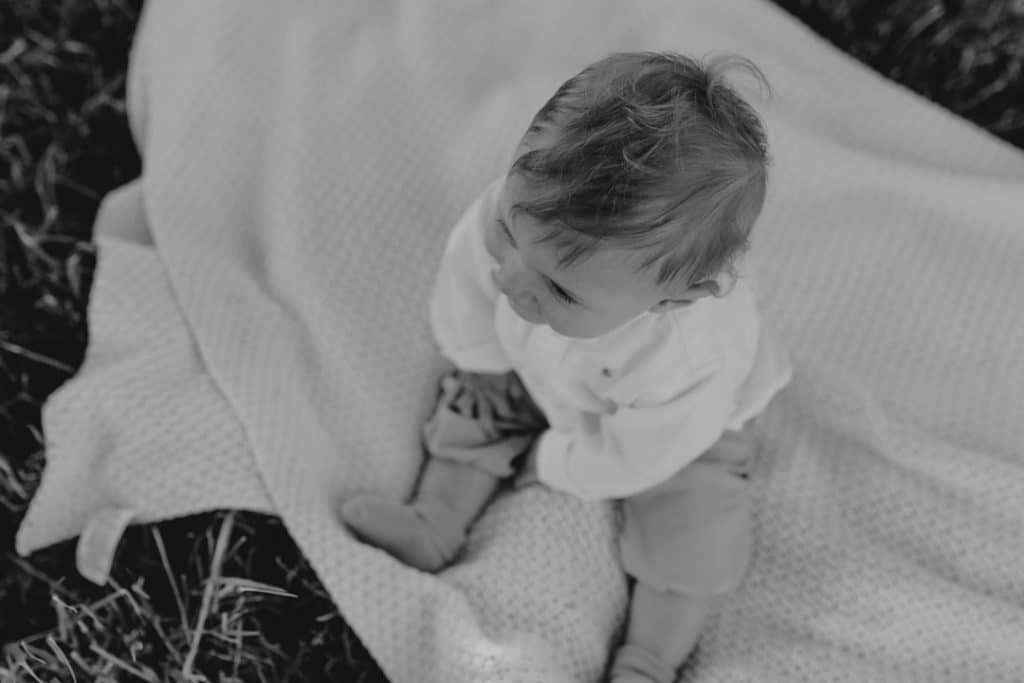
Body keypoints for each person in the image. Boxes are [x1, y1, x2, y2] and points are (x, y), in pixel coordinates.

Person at [341, 51, 792, 683]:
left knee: (693, 538)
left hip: (673, 439)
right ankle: (435, 520)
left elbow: (644, 455)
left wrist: (557, 464)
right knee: (475, 403)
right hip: (540, 369)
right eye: (507, 233)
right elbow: (468, 282)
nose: (511, 279)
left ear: (672, 298)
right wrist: (483, 360)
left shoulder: (691, 358)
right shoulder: (525, 223)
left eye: (561, 291)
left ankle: (649, 657)